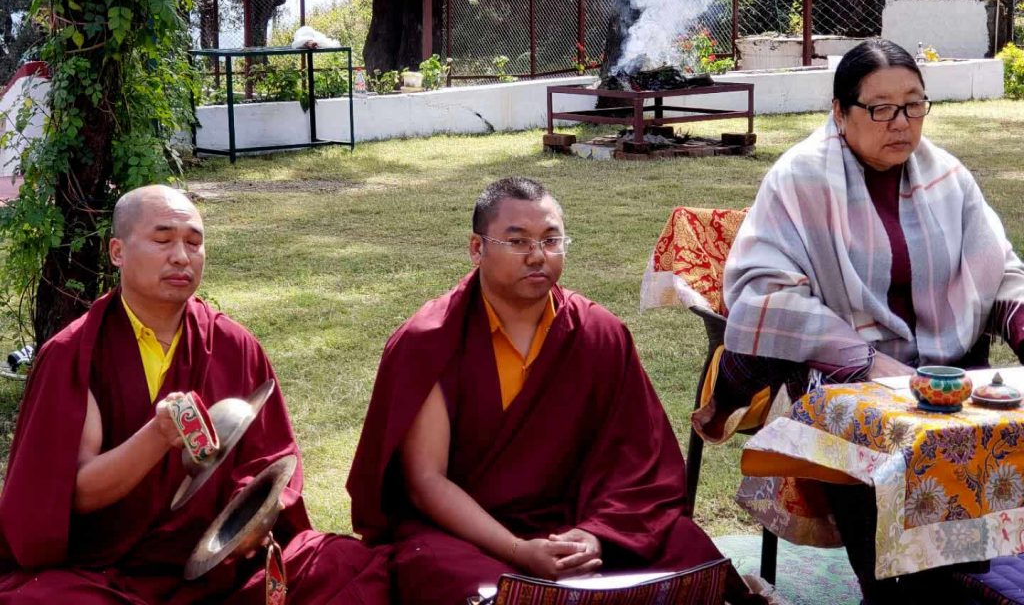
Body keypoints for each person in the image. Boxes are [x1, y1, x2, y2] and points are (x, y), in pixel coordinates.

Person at [348, 177, 765, 605]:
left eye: (551, 240)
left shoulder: (598, 333)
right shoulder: (430, 340)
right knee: (458, 582)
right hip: (466, 533)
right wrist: (518, 551)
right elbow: (425, 482)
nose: (537, 256)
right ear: (477, 249)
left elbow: (637, 463)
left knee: (688, 554)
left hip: (577, 521)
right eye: (517, 241)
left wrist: (596, 535)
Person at [720, 39, 1024, 602]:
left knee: (987, 428)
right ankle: (897, 586)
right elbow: (760, 294)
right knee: (890, 443)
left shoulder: (946, 176)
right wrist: (865, 361)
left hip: (944, 374)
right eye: (880, 108)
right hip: (839, 376)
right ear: (840, 111)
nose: (901, 122)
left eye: (913, 105)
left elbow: (1001, 269)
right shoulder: (800, 179)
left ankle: (959, 575)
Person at [0, 185, 389, 604]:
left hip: (221, 569)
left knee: (346, 565)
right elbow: (72, 492)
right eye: (163, 240)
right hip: (111, 573)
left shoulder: (232, 343)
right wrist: (156, 436)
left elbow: (271, 461)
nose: (182, 257)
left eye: (194, 243)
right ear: (117, 251)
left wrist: (251, 517)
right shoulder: (75, 355)